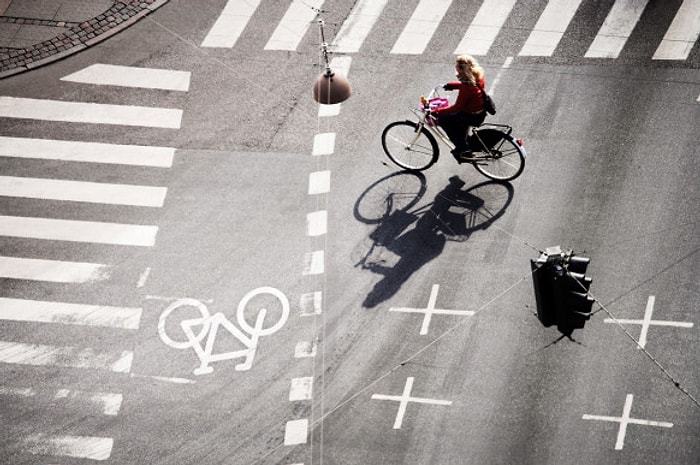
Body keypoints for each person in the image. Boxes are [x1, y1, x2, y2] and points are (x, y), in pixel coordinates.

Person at [431, 55, 487, 161]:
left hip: (470, 116)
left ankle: (463, 149)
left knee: (443, 120)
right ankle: (465, 141)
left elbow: (457, 107)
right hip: (480, 112)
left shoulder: (466, 88)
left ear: (461, 69)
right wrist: (451, 85)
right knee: (456, 121)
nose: (455, 67)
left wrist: (437, 111)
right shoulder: (477, 76)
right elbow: (466, 84)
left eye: (456, 65)